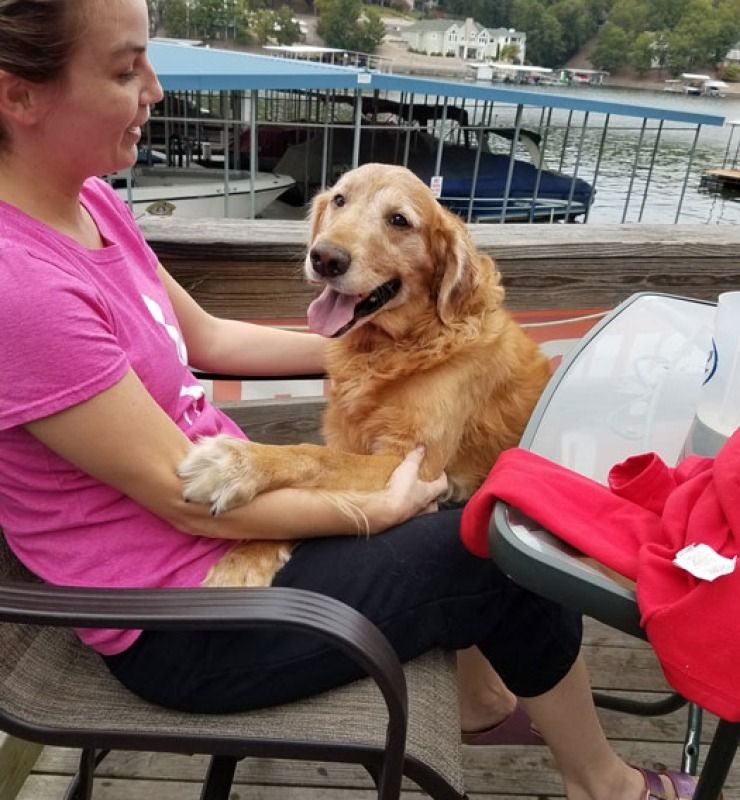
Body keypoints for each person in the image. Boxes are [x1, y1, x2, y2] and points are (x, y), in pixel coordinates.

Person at [0, 2, 694, 798]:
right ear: (19, 95)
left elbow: (212, 341)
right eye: (126, 70)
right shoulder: (19, 289)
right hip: (187, 622)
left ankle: (486, 700)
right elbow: (191, 502)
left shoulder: (94, 208)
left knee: (490, 525)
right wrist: (382, 509)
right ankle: (607, 784)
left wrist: (385, 349)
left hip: (228, 543)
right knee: (499, 550)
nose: (156, 88)